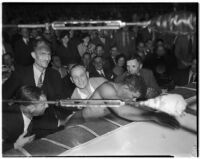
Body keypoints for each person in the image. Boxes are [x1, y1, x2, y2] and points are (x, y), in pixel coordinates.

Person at [3, 86, 69, 153]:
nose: (47, 106)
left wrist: (61, 122)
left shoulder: (27, 111)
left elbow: (39, 122)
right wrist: (15, 145)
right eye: (43, 105)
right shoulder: (6, 122)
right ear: (31, 108)